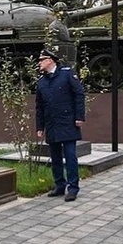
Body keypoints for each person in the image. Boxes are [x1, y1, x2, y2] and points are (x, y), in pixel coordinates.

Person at [35, 48, 85, 202]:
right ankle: (59, 185)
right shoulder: (42, 82)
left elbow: (79, 94)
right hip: (52, 124)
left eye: (41, 60)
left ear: (50, 60)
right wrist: (40, 127)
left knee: (70, 156)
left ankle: (73, 188)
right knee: (55, 157)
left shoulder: (67, 74)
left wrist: (79, 116)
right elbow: (39, 106)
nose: (39, 63)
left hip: (68, 122)